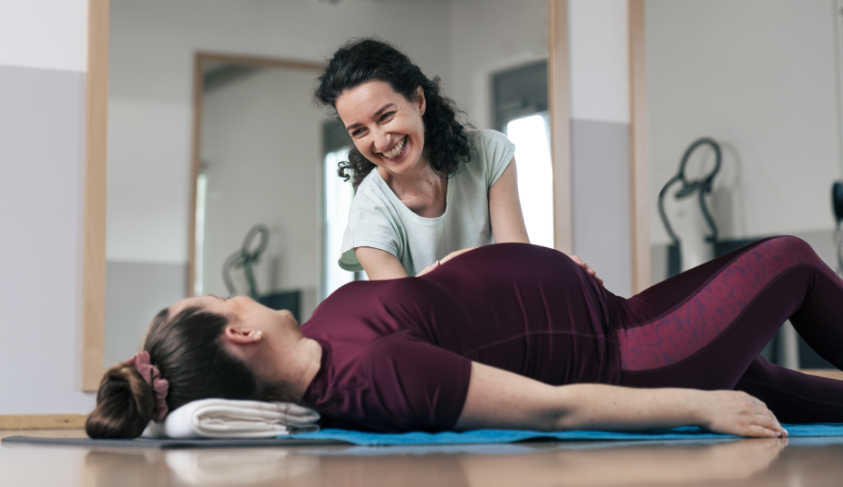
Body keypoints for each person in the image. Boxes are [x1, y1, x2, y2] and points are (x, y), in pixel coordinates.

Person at [87, 236, 843, 439]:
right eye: (222, 298)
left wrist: (466, 265)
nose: (235, 291)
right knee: (788, 259)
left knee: (818, 402)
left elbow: (438, 304)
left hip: (612, 310)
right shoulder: (374, 378)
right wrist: (701, 405)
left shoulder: (327, 336)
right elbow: (553, 409)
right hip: (632, 349)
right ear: (242, 331)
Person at [314, 38, 600, 283]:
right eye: (360, 131)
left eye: (386, 116)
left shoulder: (490, 154)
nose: (380, 141)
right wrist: (467, 266)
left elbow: (519, 266)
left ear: (419, 100)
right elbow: (405, 315)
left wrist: (561, 273)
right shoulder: (368, 213)